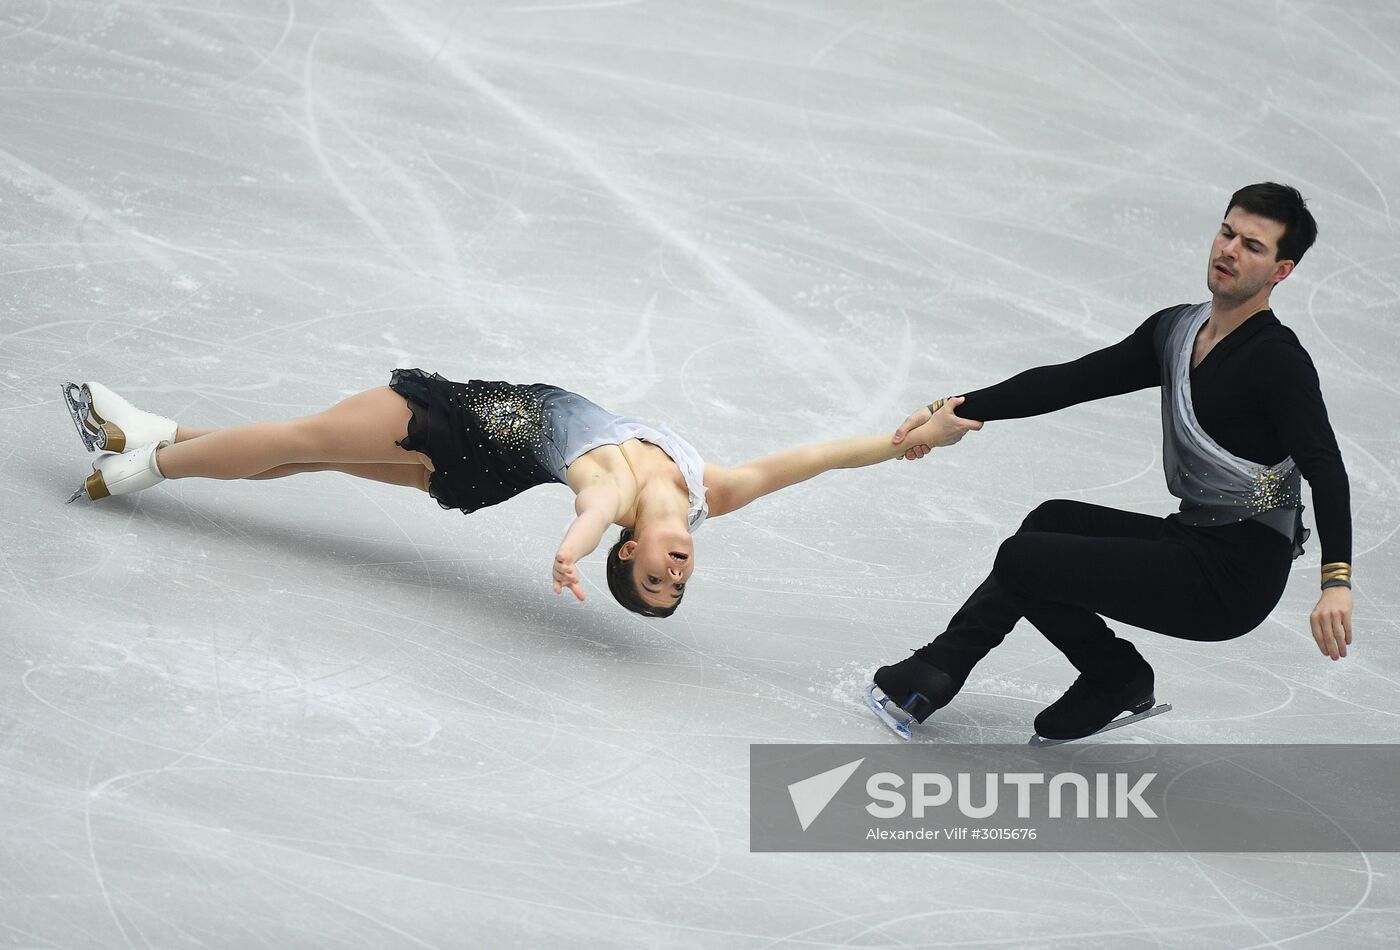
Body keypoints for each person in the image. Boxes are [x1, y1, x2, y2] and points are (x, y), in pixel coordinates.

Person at [870, 182, 1353, 742]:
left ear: (1281, 270)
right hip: (1195, 540)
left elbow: (1326, 465)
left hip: (1233, 580)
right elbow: (1070, 381)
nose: (1229, 251)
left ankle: (935, 672)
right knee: (1052, 523)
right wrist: (956, 411)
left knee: (1025, 558)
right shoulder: (1177, 331)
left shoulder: (1277, 361)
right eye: (1226, 233)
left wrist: (1336, 581)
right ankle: (1113, 676)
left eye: (1252, 245)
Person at [62, 370, 981, 617]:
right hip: (486, 466)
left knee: (304, 438)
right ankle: (155, 434)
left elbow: (587, 496)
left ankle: (139, 463)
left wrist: (569, 552)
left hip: (468, 426)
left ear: (631, 552)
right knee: (309, 458)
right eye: (680, 583)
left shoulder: (614, 500)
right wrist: (910, 439)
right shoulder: (713, 492)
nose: (677, 573)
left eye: (657, 581)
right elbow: (815, 458)